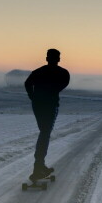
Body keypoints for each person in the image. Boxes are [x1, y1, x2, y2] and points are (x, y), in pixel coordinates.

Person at [25, 49, 70, 181]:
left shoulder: (38, 71)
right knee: (45, 133)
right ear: (59, 59)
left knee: (43, 132)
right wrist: (52, 91)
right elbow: (62, 84)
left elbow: (27, 83)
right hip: (50, 105)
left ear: (46, 58)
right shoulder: (63, 73)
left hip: (37, 105)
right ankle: (38, 167)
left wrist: (32, 96)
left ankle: (40, 166)